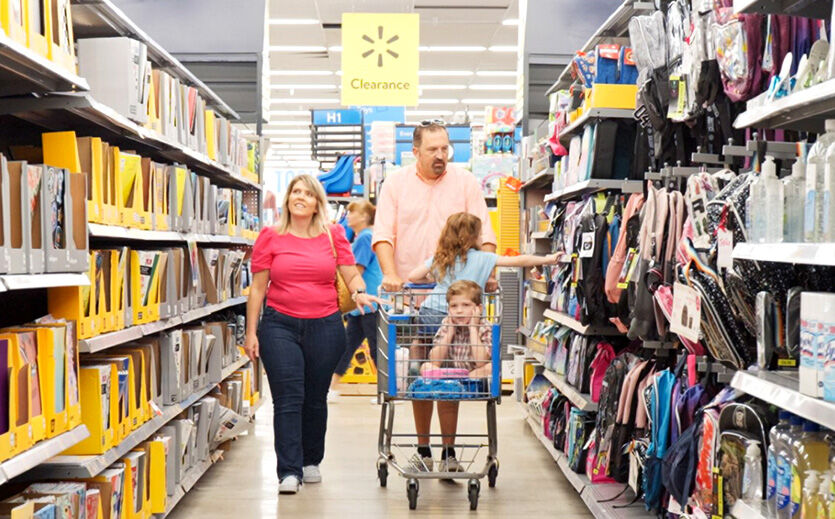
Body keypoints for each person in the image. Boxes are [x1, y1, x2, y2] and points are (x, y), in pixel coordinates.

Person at [245, 174, 383, 495]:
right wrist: (252, 332)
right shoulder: (270, 236)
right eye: (296, 191)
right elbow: (258, 289)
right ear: (288, 198)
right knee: (288, 398)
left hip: (326, 325)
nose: (301, 197)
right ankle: (288, 471)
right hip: (279, 326)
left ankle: (310, 461)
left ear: (317, 202)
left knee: (315, 398)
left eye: (308, 193)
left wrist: (359, 292)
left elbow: (350, 273)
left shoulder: (333, 235)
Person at [372, 120, 497, 473]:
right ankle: (424, 449)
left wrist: (487, 276)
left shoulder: (466, 182)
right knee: (418, 374)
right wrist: (391, 274)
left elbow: (485, 235)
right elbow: (383, 234)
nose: (441, 155)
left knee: (450, 373)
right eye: (433, 150)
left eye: (445, 149)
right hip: (412, 298)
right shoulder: (395, 184)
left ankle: (449, 452)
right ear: (415, 151)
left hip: (455, 301)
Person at [407, 212, 561, 470]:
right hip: (466, 320)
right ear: (474, 236)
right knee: (450, 383)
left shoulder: (441, 258)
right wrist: (547, 258)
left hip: (433, 313)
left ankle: (416, 372)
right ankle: (448, 453)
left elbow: (413, 276)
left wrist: (433, 280)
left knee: (424, 369)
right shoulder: (484, 258)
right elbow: (517, 259)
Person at [330, 200, 382, 399]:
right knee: (346, 346)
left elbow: (355, 270)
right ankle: (332, 388)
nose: (348, 216)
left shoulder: (365, 237)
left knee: (375, 348)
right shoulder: (365, 236)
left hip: (366, 302)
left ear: (364, 216)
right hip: (361, 306)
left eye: (352, 212)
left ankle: (385, 390)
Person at [419, 280, 493, 379]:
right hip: (450, 375)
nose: (459, 311)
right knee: (426, 367)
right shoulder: (447, 323)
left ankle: (464, 386)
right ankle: (450, 388)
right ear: (448, 310)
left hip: (474, 376)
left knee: (490, 368)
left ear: (478, 309)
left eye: (466, 305)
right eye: (454, 306)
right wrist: (450, 332)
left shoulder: (485, 327)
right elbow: (435, 361)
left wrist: (473, 329)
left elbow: (481, 362)